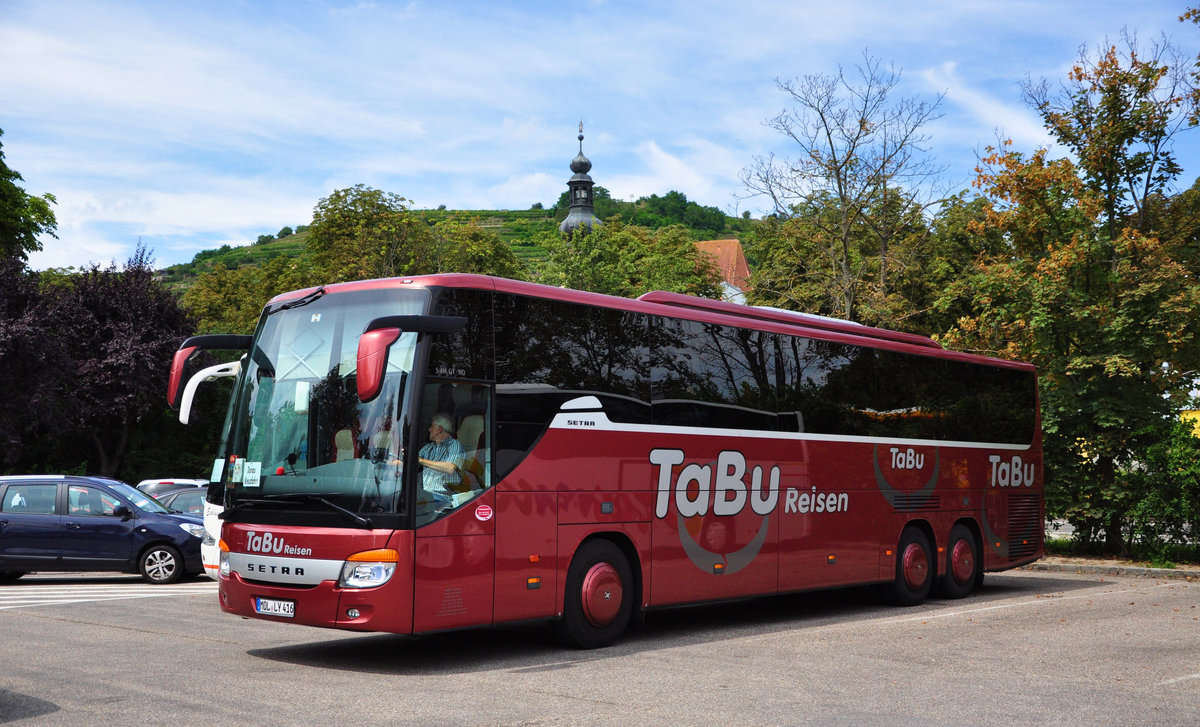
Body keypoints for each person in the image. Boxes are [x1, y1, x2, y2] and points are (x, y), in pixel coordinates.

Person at [418, 412, 464, 504]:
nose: (429, 429)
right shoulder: (428, 448)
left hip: (445, 498)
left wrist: (421, 460)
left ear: (439, 429)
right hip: (427, 497)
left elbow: (450, 468)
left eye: (431, 426)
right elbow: (413, 461)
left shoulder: (454, 445)